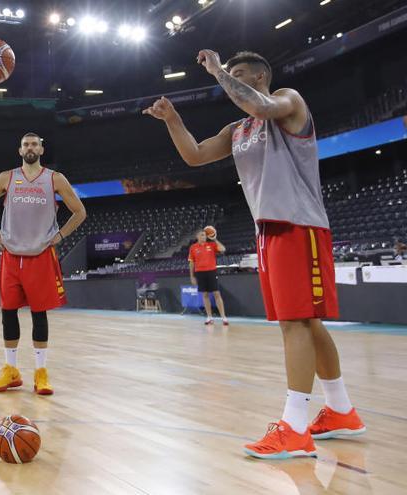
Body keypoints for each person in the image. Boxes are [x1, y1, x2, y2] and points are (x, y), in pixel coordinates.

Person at [143, 50, 365, 459]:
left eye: (240, 74)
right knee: (308, 325)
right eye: (231, 74)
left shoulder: (288, 101)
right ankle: (341, 410)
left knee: (295, 325)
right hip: (268, 231)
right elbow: (195, 155)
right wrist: (172, 119)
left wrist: (218, 72)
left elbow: (258, 103)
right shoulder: (238, 128)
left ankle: (295, 428)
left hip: (299, 225)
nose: (232, 79)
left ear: (262, 75)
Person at [0, 133, 86, 396]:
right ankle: (11, 371)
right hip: (11, 254)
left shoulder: (54, 179)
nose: (30, 147)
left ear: (42, 149)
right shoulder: (7, 177)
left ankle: (41, 372)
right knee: (8, 312)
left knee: (39, 313)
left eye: (34, 144)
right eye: (26, 144)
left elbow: (80, 211)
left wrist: (59, 236)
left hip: (40, 254)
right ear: (20, 150)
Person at [189, 230, 229, 326]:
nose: (204, 237)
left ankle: (224, 317)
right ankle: (209, 317)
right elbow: (191, 263)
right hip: (200, 273)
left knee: (216, 293)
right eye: (202, 235)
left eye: (205, 235)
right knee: (205, 295)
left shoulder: (211, 245)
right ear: (197, 236)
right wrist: (192, 276)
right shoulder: (193, 248)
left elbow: (223, 249)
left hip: (211, 271)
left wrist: (215, 239)